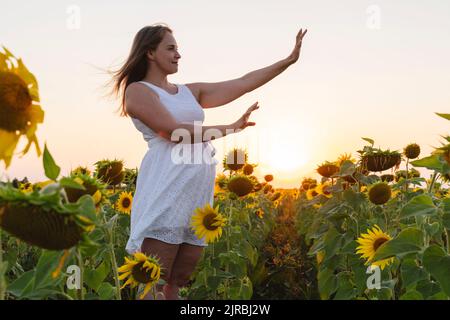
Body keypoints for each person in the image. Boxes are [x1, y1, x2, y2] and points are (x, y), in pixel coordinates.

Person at [112, 23, 307, 300]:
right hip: (166, 188)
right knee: (153, 282)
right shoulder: (138, 91)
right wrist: (230, 128)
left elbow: (243, 82)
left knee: (176, 283)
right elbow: (174, 132)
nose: (178, 54)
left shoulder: (189, 92)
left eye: (178, 48)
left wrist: (287, 61)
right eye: (171, 48)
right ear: (150, 53)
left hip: (196, 195)